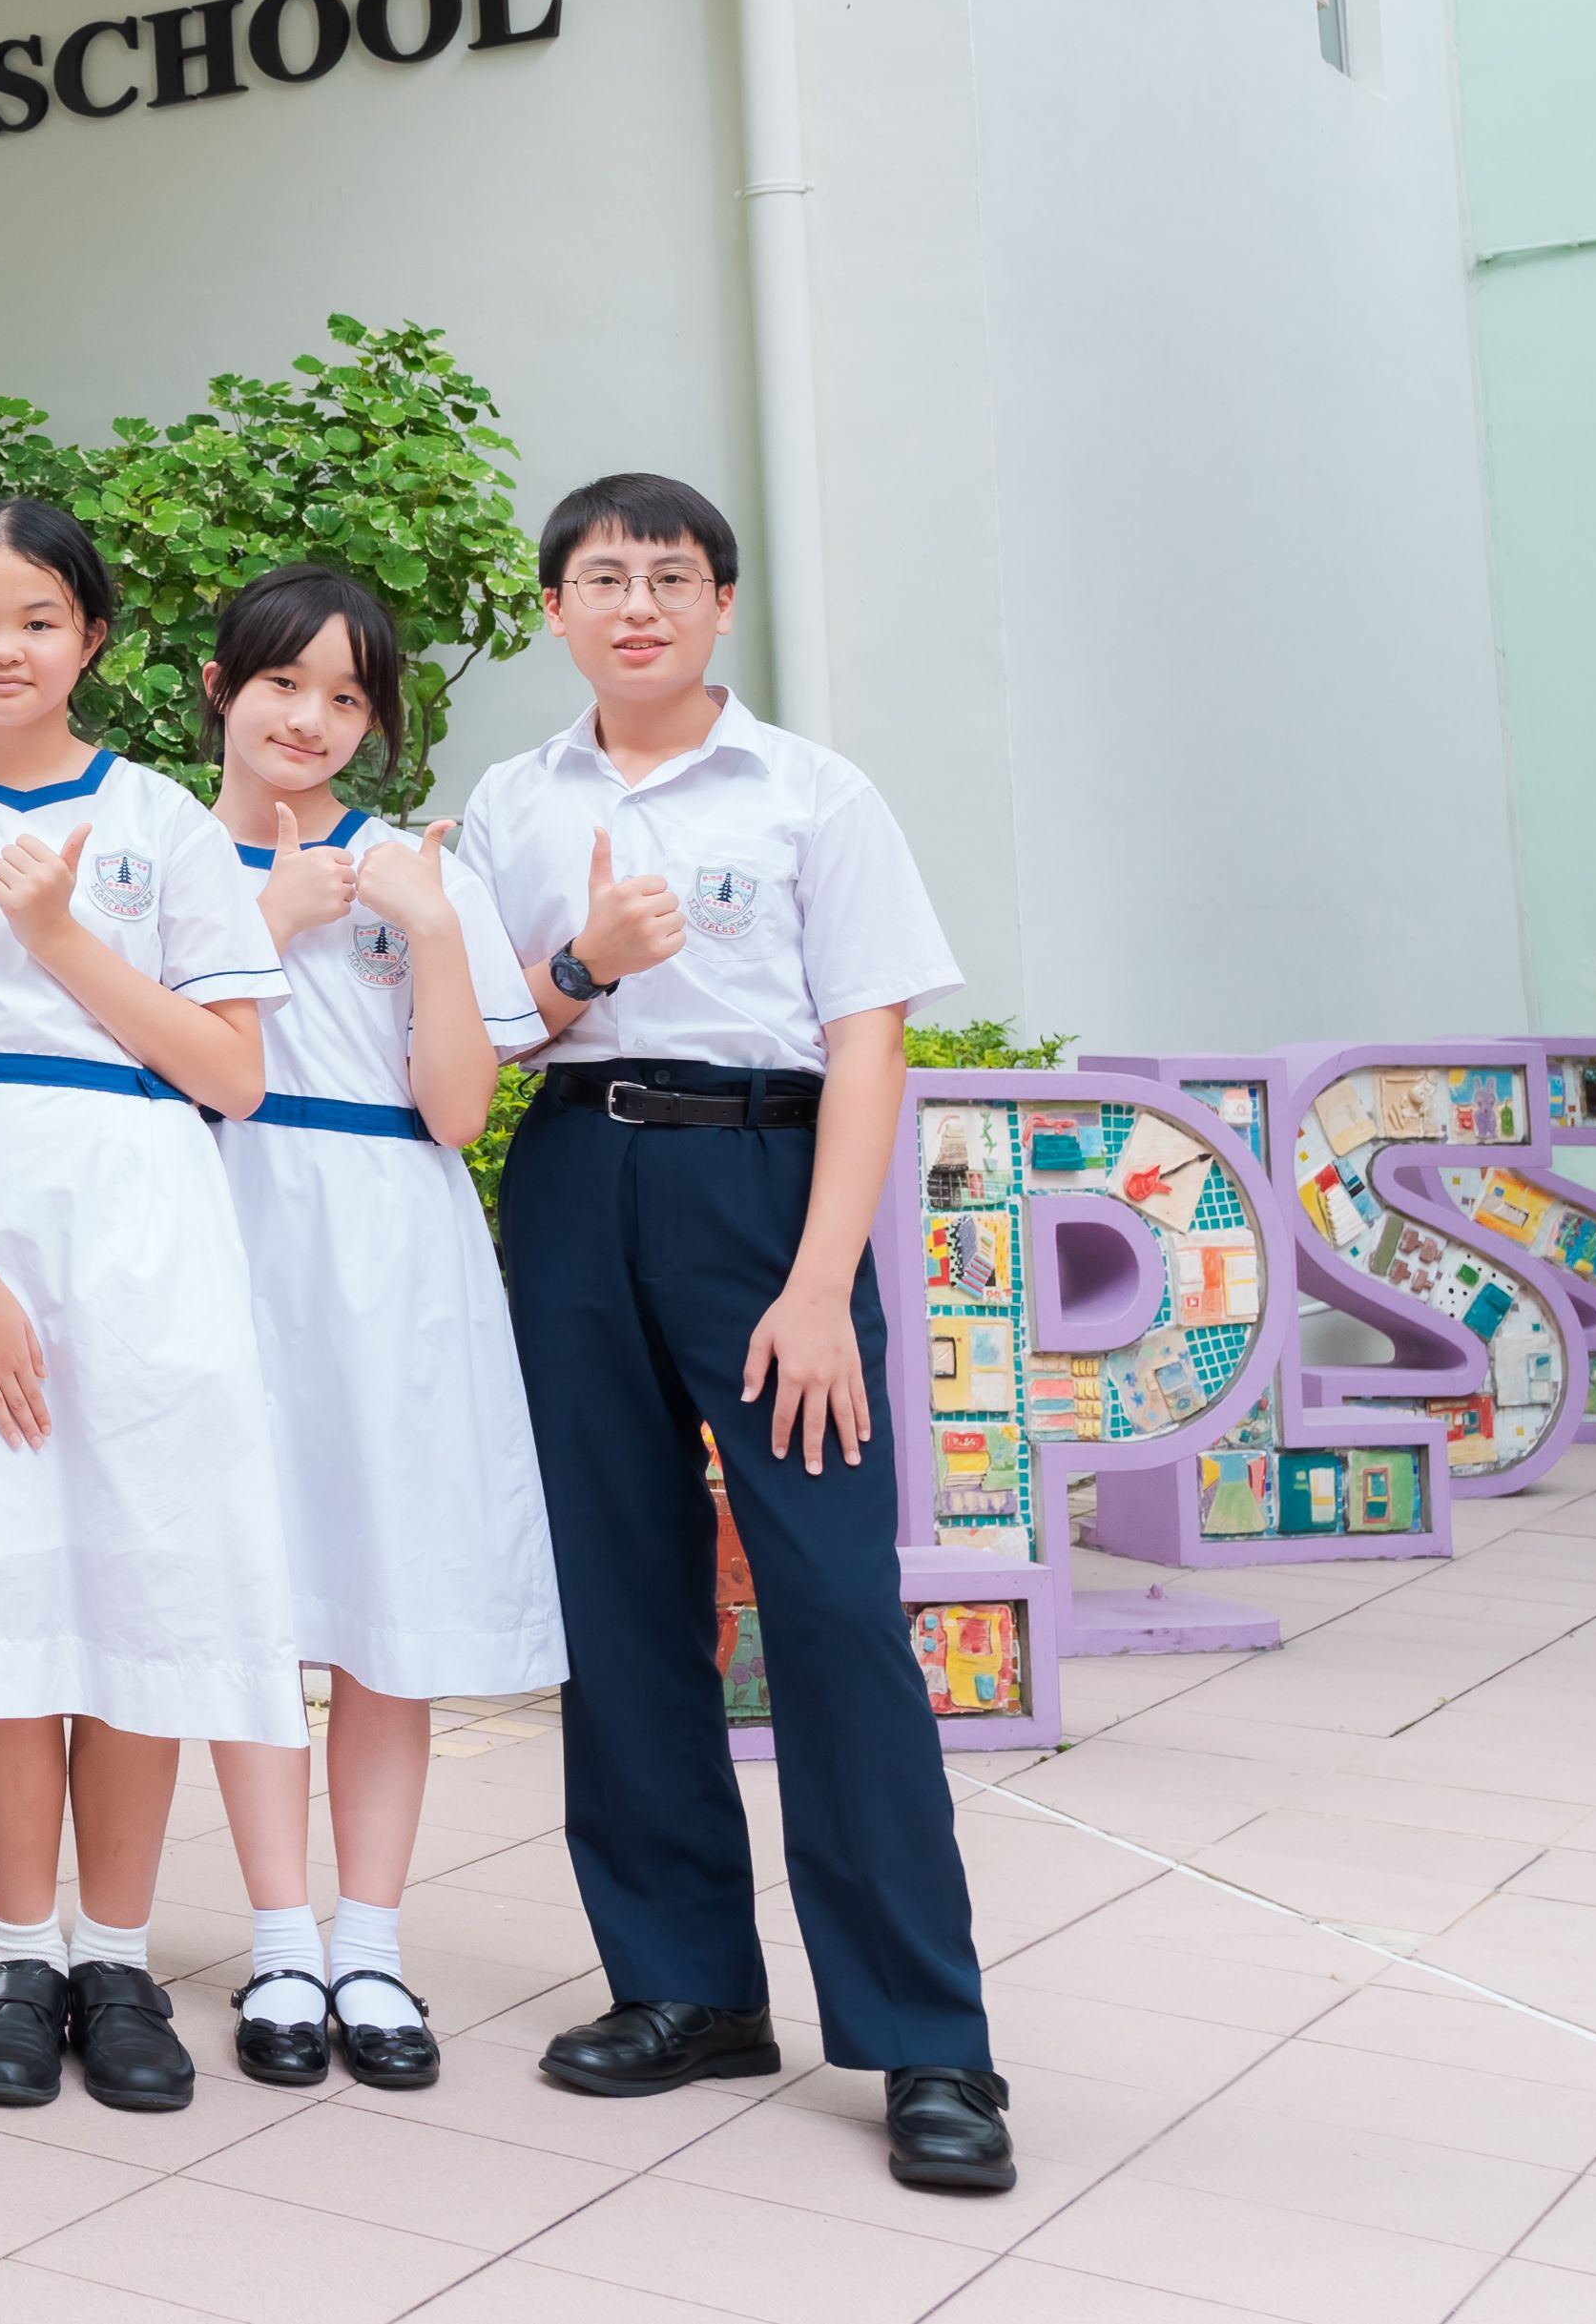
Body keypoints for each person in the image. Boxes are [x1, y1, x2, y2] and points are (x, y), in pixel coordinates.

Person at [455, 475, 1005, 2195]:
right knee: (616, 1603)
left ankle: (926, 2038)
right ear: (555, 607)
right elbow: (477, 1026)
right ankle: (685, 1986)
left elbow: (868, 1043)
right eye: (601, 577)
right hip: (570, 1177)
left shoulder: (810, 792)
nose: (635, 604)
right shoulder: (509, 801)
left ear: (720, 603)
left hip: (765, 1191)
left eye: (668, 576)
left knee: (832, 1609)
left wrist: (823, 1281)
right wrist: (580, 959)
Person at [0, 494, 296, 2118]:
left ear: (91, 636)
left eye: (37, 619)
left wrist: (58, 937)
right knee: (0, 1594)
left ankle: (116, 1954)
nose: (4, 647)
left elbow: (232, 1070)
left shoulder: (160, 817)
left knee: (139, 1588)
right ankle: (19, 1958)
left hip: (142, 1223)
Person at [188, 567, 558, 2095]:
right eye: (284, 682)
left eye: (346, 697)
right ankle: (279, 1938)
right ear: (219, 685)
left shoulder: (415, 871)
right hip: (224, 1225)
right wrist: (259, 923)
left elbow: (458, 1110)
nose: (310, 719)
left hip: (395, 1243)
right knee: (252, 1598)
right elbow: (147, 1065)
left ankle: (371, 1942)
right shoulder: (158, 853)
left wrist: (437, 932)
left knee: (385, 1601)